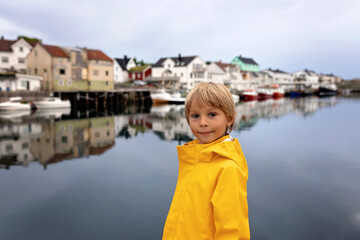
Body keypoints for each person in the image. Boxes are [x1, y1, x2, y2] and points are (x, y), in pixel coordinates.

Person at [162, 82, 250, 239]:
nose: (203, 122)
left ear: (229, 118)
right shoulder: (195, 158)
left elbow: (232, 231)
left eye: (212, 114)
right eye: (195, 116)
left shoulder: (228, 168)